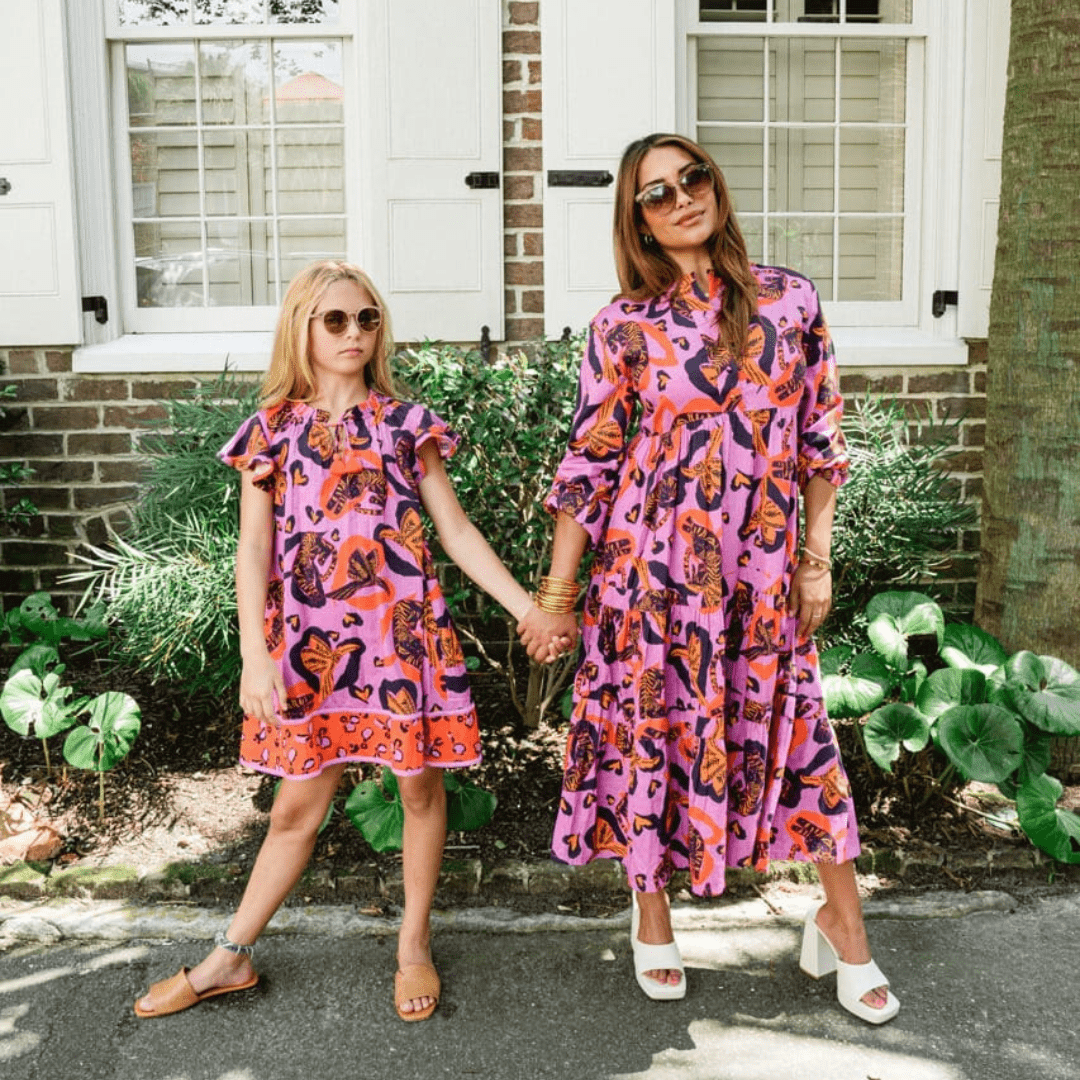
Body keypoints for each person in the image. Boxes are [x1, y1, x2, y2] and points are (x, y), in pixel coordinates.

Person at [520, 133, 899, 1024]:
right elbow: (591, 463)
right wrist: (560, 596)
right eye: (657, 194)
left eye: (693, 178)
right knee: (651, 735)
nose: (682, 197)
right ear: (639, 223)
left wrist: (816, 557)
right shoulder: (625, 325)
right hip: (648, 579)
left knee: (802, 736)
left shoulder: (789, 300)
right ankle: (652, 908)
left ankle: (843, 923)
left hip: (761, 575)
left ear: (715, 187)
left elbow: (819, 440)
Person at [134, 260, 573, 1022]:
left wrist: (529, 610)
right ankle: (228, 956)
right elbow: (254, 554)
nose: (354, 333)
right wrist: (254, 654)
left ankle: (412, 944)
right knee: (295, 808)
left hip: (403, 640)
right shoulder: (270, 430)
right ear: (302, 327)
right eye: (335, 320)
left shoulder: (407, 425)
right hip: (309, 647)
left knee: (419, 789)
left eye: (367, 319)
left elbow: (456, 531)